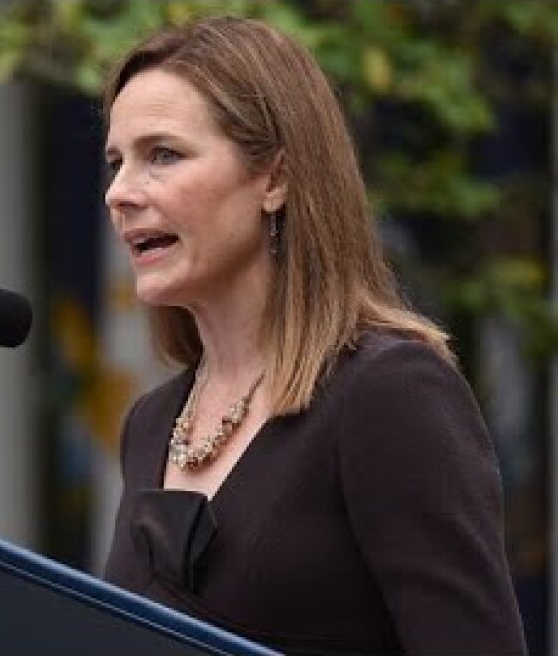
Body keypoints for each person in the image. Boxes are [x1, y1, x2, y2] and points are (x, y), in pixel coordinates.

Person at [100, 15, 526, 655]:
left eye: (163, 154)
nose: (120, 192)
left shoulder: (389, 395)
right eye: (115, 161)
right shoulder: (150, 424)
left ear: (275, 178)